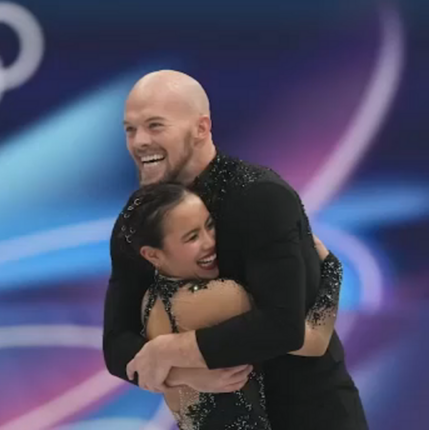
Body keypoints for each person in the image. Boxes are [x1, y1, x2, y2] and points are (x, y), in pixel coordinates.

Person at [103, 70, 368, 429]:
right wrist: (184, 374)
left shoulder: (261, 196)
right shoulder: (138, 220)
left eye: (155, 125)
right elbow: (117, 344)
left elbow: (282, 326)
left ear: (201, 127)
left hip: (310, 416)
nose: (139, 142)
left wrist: (170, 350)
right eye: (130, 129)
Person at [119, 182, 342, 429]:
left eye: (209, 226)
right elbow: (313, 340)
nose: (210, 242)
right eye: (192, 237)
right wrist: (332, 270)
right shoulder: (222, 297)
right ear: (152, 254)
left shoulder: (150, 301)